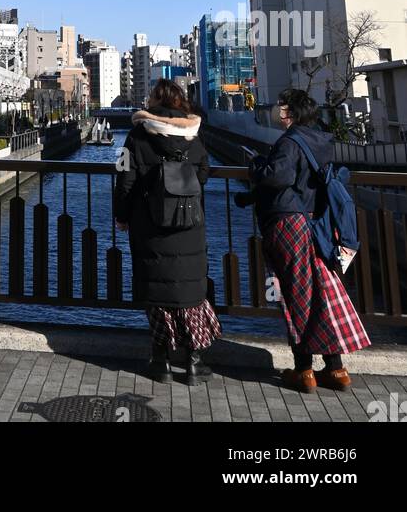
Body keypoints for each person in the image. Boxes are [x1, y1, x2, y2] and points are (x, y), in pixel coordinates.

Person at [243, 88, 370, 392]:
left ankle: (304, 370)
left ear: (290, 112)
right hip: (313, 223)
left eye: (281, 106)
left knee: (294, 292)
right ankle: (336, 369)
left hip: (287, 224)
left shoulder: (289, 142)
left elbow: (277, 177)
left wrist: (256, 166)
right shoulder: (319, 140)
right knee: (321, 290)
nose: (277, 111)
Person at [114, 79, 220, 385]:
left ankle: (159, 361)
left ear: (152, 101)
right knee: (190, 289)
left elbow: (125, 179)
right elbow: (203, 174)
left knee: (157, 288)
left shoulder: (137, 134)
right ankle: (194, 364)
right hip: (188, 223)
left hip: (150, 225)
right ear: (180, 102)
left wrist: (122, 216)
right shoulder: (194, 135)